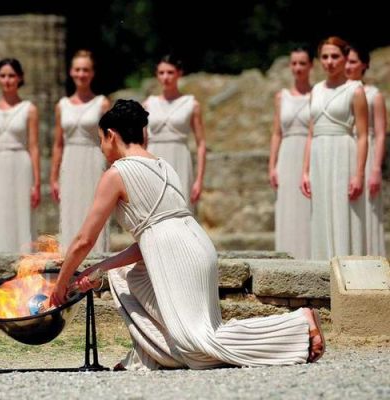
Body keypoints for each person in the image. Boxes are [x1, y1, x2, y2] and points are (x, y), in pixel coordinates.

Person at [51, 99, 325, 371]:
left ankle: (298, 323)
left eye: (101, 140)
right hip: (196, 245)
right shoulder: (164, 165)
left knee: (200, 346)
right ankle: (146, 356)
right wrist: (99, 269)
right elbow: (147, 241)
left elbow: (84, 239)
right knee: (124, 277)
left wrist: (61, 283)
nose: (101, 148)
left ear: (111, 135)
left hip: (175, 254)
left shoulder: (116, 174)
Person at [301, 37, 368, 260]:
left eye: (335, 56)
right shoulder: (316, 90)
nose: (329, 62)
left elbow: (363, 136)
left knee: (344, 212)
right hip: (320, 154)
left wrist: (359, 174)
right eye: (325, 57)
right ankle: (322, 269)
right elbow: (311, 133)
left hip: (343, 153)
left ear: (344, 58)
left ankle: (351, 270)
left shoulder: (355, 91)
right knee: (321, 212)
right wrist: (305, 171)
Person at [50, 50, 111, 254]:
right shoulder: (62, 105)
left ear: (92, 73)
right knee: (71, 212)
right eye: (77, 69)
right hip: (70, 161)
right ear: (71, 72)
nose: (81, 74)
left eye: (85, 70)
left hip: (93, 160)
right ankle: (69, 263)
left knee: (93, 211)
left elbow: (109, 140)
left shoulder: (102, 103)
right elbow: (58, 143)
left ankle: (95, 267)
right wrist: (53, 177)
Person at [0, 58, 40, 252]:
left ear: (19, 78)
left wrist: (36, 183)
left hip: (20, 163)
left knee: (22, 215)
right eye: (3, 76)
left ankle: (25, 266)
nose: (7, 80)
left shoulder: (29, 109)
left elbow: (34, 146)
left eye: (11, 75)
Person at [144, 55, 206, 206]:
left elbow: (201, 144)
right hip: (154, 159)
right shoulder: (148, 104)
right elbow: (141, 143)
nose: (166, 77)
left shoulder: (191, 104)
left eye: (170, 72)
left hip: (180, 160)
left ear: (179, 73)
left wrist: (199, 180)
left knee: (181, 206)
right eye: (161, 73)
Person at [268, 47, 313, 259]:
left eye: (302, 63)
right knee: (287, 209)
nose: (298, 68)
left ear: (311, 66)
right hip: (286, 155)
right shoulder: (281, 97)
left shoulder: (317, 95)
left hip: (310, 153)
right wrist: (272, 166)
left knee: (308, 208)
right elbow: (276, 133)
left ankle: (310, 256)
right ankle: (287, 258)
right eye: (294, 63)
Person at [345, 45, 386, 256]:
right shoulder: (339, 92)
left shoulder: (373, 95)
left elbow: (380, 134)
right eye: (346, 61)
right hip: (345, 150)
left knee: (368, 212)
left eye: (353, 61)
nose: (347, 66)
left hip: (367, 153)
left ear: (364, 65)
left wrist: (376, 168)